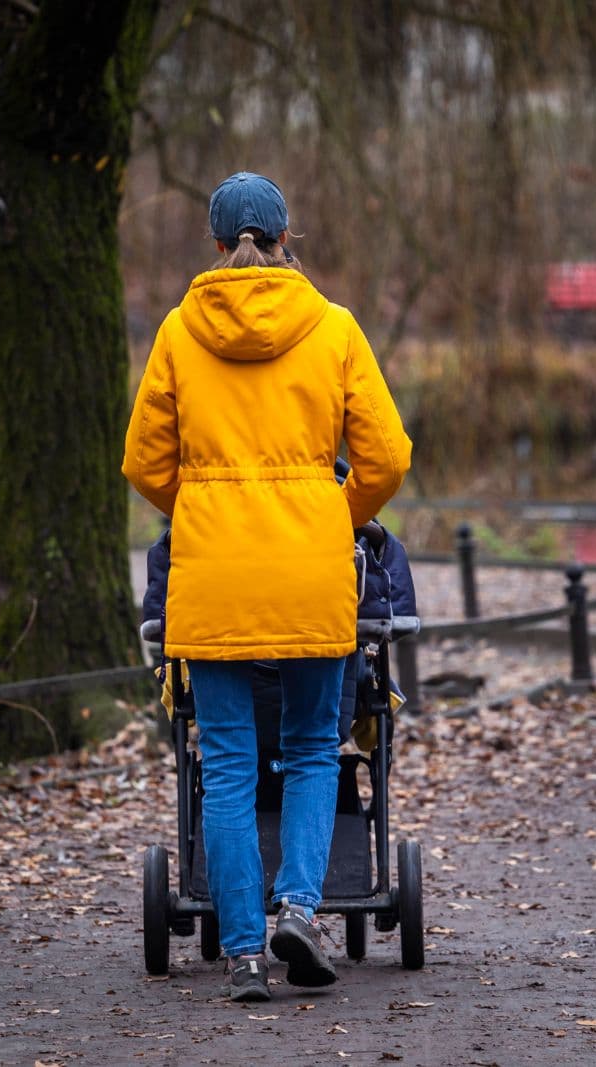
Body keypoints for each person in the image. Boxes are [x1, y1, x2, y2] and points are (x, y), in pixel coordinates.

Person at [122, 171, 411, 1002]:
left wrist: (206, 507)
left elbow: (144, 462)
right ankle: (299, 909)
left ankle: (244, 952)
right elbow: (387, 457)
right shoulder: (335, 329)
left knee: (228, 761)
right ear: (289, 239)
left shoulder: (180, 331)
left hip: (213, 578)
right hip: (311, 572)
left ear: (218, 248)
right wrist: (335, 511)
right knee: (319, 747)